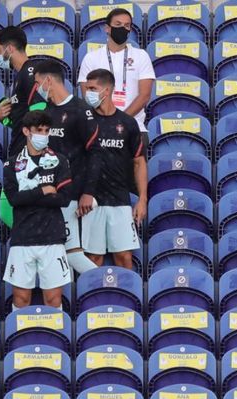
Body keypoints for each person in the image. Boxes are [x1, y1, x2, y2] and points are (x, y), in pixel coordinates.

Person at [33, 59, 100, 274]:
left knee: (73, 255)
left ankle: (107, 290)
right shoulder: (47, 112)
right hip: (51, 195)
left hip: (74, 196)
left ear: (49, 80)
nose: (37, 88)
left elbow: (96, 154)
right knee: (57, 255)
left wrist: (88, 193)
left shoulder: (81, 110)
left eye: (38, 83)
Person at [2, 110, 72, 311]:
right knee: (21, 299)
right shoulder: (11, 164)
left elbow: (64, 199)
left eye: (46, 130)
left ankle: (56, 341)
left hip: (52, 236)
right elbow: (14, 200)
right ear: (26, 131)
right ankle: (18, 341)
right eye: (38, 130)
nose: (43, 134)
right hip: (23, 237)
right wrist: (43, 191)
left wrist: (30, 197)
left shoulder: (60, 160)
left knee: (53, 299)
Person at [81, 69, 147, 270]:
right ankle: (92, 300)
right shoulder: (83, 122)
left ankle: (126, 301)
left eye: (93, 88)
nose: (87, 93)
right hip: (91, 201)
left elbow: (139, 162)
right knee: (93, 259)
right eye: (86, 88)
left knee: (124, 257)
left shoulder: (127, 123)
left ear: (107, 90)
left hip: (120, 199)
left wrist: (142, 199)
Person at [77, 7, 155, 165]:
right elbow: (87, 95)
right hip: (98, 129)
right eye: (118, 24)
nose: (123, 28)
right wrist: (107, 123)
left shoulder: (141, 56)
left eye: (127, 25)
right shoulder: (91, 58)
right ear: (107, 28)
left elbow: (145, 95)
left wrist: (120, 120)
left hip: (134, 128)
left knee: (133, 183)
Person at [0, 26, 46, 158]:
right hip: (20, 150)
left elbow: (40, 115)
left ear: (10, 48)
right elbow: (19, 121)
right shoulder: (20, 76)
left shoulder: (30, 74)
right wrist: (2, 118)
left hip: (29, 155)